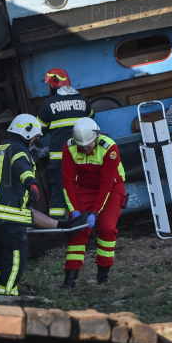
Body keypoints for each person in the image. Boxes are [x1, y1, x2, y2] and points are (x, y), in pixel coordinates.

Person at [0, 114, 44, 296]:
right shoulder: (19, 151)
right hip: (7, 213)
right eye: (35, 138)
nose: (35, 142)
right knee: (17, 254)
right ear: (27, 134)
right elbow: (22, 168)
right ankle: (7, 295)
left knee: (5, 251)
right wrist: (32, 184)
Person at [61, 118, 125, 288]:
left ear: (97, 136)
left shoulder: (110, 148)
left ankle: (103, 274)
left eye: (89, 143)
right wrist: (74, 211)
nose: (85, 147)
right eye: (82, 145)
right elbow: (67, 182)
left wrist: (95, 212)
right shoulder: (69, 147)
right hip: (84, 187)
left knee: (107, 227)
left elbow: (106, 184)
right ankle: (70, 278)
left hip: (111, 187)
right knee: (77, 229)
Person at [36, 68, 95, 218]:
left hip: (60, 161)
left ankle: (58, 231)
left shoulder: (48, 104)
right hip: (84, 158)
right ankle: (87, 227)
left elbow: (38, 131)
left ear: (55, 85)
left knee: (59, 196)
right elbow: (91, 118)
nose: (48, 88)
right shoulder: (83, 101)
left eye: (48, 85)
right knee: (84, 193)